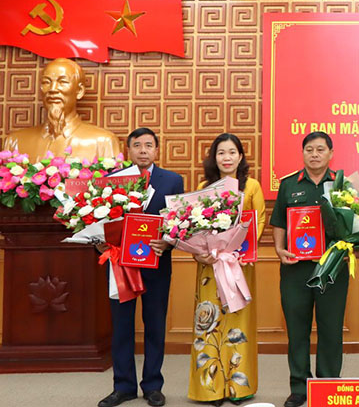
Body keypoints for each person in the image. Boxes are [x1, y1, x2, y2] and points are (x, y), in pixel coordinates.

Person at [98, 128, 184, 407]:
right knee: (121, 325)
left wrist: (169, 243)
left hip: (156, 263)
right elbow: (98, 220)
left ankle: (152, 386)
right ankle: (123, 386)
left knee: (155, 325)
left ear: (157, 150)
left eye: (149, 145)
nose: (143, 150)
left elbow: (180, 222)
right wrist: (98, 244)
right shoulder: (113, 180)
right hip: (121, 263)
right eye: (137, 145)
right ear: (128, 151)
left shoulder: (172, 181)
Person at [188, 133, 267, 405]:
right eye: (221, 153)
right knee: (209, 322)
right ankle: (210, 389)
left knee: (238, 323)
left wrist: (239, 251)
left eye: (232, 152)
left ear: (241, 157)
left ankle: (238, 387)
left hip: (238, 266)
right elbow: (193, 225)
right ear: (214, 158)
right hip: (209, 266)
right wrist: (202, 253)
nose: (227, 157)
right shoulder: (203, 186)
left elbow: (258, 222)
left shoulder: (252, 186)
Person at [271, 132, 346, 407]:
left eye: (320, 150)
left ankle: (327, 385)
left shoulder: (342, 185)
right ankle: (299, 387)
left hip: (332, 268)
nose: (314, 154)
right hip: (295, 269)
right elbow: (278, 221)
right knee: (297, 328)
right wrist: (279, 250)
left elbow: (357, 222)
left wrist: (355, 246)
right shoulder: (289, 185)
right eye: (309, 150)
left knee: (330, 328)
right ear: (303, 153)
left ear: (330, 153)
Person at [3, 57, 120, 160]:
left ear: (79, 91)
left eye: (62, 82)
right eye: (46, 82)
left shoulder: (103, 142)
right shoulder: (15, 141)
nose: (53, 89)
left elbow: (114, 184)